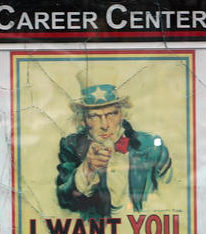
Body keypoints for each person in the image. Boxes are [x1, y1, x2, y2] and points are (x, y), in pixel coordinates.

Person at [56, 83, 172, 219]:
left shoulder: (151, 145)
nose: (104, 125)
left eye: (111, 114)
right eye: (94, 116)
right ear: (83, 121)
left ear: (121, 115)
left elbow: (171, 193)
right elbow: (65, 200)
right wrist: (88, 168)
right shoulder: (71, 146)